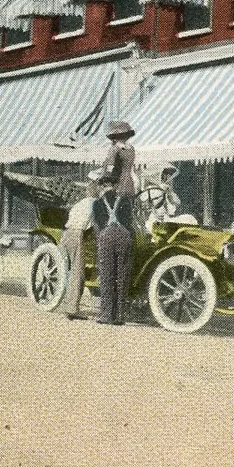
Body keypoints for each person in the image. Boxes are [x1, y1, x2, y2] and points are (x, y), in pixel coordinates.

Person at [91, 173, 134, 325]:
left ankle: (106, 315)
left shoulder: (96, 203)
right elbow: (130, 223)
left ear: (102, 186)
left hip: (106, 237)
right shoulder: (125, 201)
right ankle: (120, 316)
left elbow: (97, 226)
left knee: (107, 276)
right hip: (124, 236)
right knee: (122, 276)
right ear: (115, 185)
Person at [60, 177, 99, 320]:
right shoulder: (96, 203)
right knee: (78, 272)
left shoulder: (79, 203)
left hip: (66, 234)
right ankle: (71, 309)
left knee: (71, 271)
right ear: (96, 192)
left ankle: (68, 304)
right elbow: (96, 224)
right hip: (77, 234)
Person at [103, 121, 137, 199]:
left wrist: (107, 176)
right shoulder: (131, 148)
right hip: (128, 178)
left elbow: (110, 165)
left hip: (118, 179)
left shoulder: (114, 148)